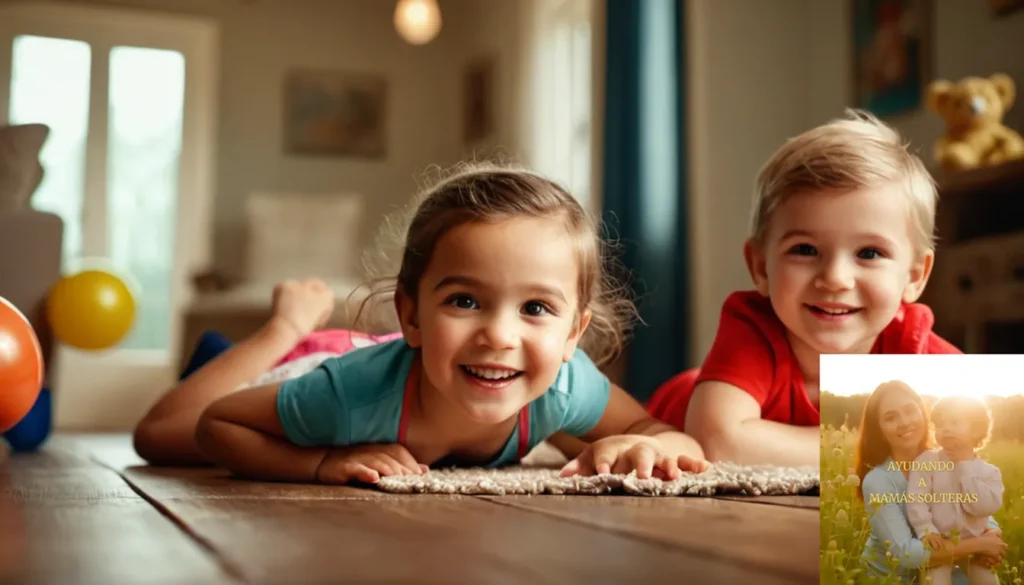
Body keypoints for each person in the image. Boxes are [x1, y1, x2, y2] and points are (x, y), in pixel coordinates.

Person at [133, 164, 709, 484]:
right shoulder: (349, 397)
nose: (500, 336)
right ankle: (283, 327)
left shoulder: (564, 385)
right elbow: (217, 424)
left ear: (573, 336)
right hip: (321, 360)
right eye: (465, 301)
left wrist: (646, 444)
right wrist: (320, 464)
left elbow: (661, 432)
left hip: (392, 356)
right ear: (410, 313)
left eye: (535, 309)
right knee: (162, 440)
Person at [646, 109, 961, 468]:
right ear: (760, 266)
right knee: (598, 434)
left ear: (915, 276)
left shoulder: (912, 346)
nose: (836, 278)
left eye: (869, 253)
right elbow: (717, 442)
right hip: (675, 406)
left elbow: (990, 433)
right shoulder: (753, 326)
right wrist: (875, 447)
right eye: (805, 250)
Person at [856, 381, 1006, 584]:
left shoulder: (947, 458)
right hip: (895, 577)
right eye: (890, 418)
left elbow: (969, 504)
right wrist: (980, 544)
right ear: (880, 431)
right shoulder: (878, 481)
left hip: (949, 562)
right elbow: (906, 553)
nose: (904, 422)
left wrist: (992, 533)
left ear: (923, 414)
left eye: (910, 411)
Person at [906, 395, 1004, 585]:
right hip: (940, 543)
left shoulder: (989, 472)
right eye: (940, 424)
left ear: (976, 430)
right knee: (934, 581)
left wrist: (964, 465)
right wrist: (927, 530)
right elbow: (916, 499)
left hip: (974, 546)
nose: (946, 428)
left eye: (955, 422)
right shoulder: (926, 462)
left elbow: (984, 508)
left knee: (988, 580)